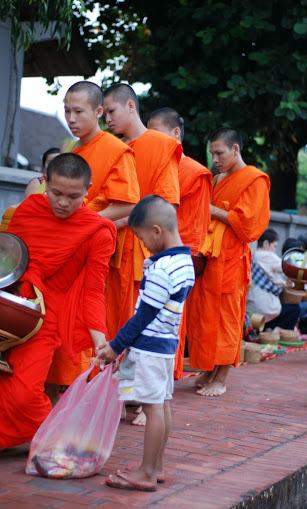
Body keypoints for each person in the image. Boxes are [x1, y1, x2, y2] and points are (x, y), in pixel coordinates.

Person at [0, 153, 116, 448]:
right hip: (9, 306)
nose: (63, 202)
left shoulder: (97, 231)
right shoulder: (28, 210)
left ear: (88, 192)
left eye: (73, 196)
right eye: (56, 193)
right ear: (45, 184)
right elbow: (7, 261)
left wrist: (100, 341)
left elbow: (93, 291)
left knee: (24, 394)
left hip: (44, 318)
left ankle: (52, 437)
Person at [95, 195, 195, 491]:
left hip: (150, 346)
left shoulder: (163, 270)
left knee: (151, 408)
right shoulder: (184, 262)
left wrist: (115, 345)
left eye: (140, 237)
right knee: (161, 404)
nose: (142, 244)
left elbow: (143, 316)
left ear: (156, 231)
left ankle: (147, 472)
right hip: (165, 346)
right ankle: (157, 466)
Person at [46, 81, 139, 389]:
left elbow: (127, 202)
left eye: (78, 111)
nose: (71, 118)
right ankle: (60, 393)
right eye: (66, 110)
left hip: (93, 250)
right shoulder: (72, 149)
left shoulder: (115, 150)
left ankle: (87, 391)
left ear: (98, 112)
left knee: (88, 323)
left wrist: (86, 224)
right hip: (64, 251)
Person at [103, 84, 182, 423]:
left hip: (143, 247)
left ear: (130, 106)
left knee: (142, 322)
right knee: (115, 320)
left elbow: (165, 203)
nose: (107, 120)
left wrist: (120, 223)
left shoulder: (162, 146)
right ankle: (121, 397)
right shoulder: (115, 149)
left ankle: (141, 401)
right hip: (114, 248)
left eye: (111, 112)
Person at [187, 128, 270, 396]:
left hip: (231, 258)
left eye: (220, 153)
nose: (215, 159)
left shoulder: (254, 179)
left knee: (227, 318)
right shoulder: (219, 178)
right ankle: (209, 368)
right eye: (212, 153)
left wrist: (212, 210)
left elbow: (247, 226)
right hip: (209, 255)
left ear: (236, 149)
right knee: (204, 315)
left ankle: (221, 378)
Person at [147, 107, 212, 378]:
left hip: (173, 254)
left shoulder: (194, 172)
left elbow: (195, 224)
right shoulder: (151, 161)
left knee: (169, 318)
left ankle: (163, 378)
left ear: (175, 134)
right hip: (145, 247)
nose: (151, 141)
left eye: (157, 134)